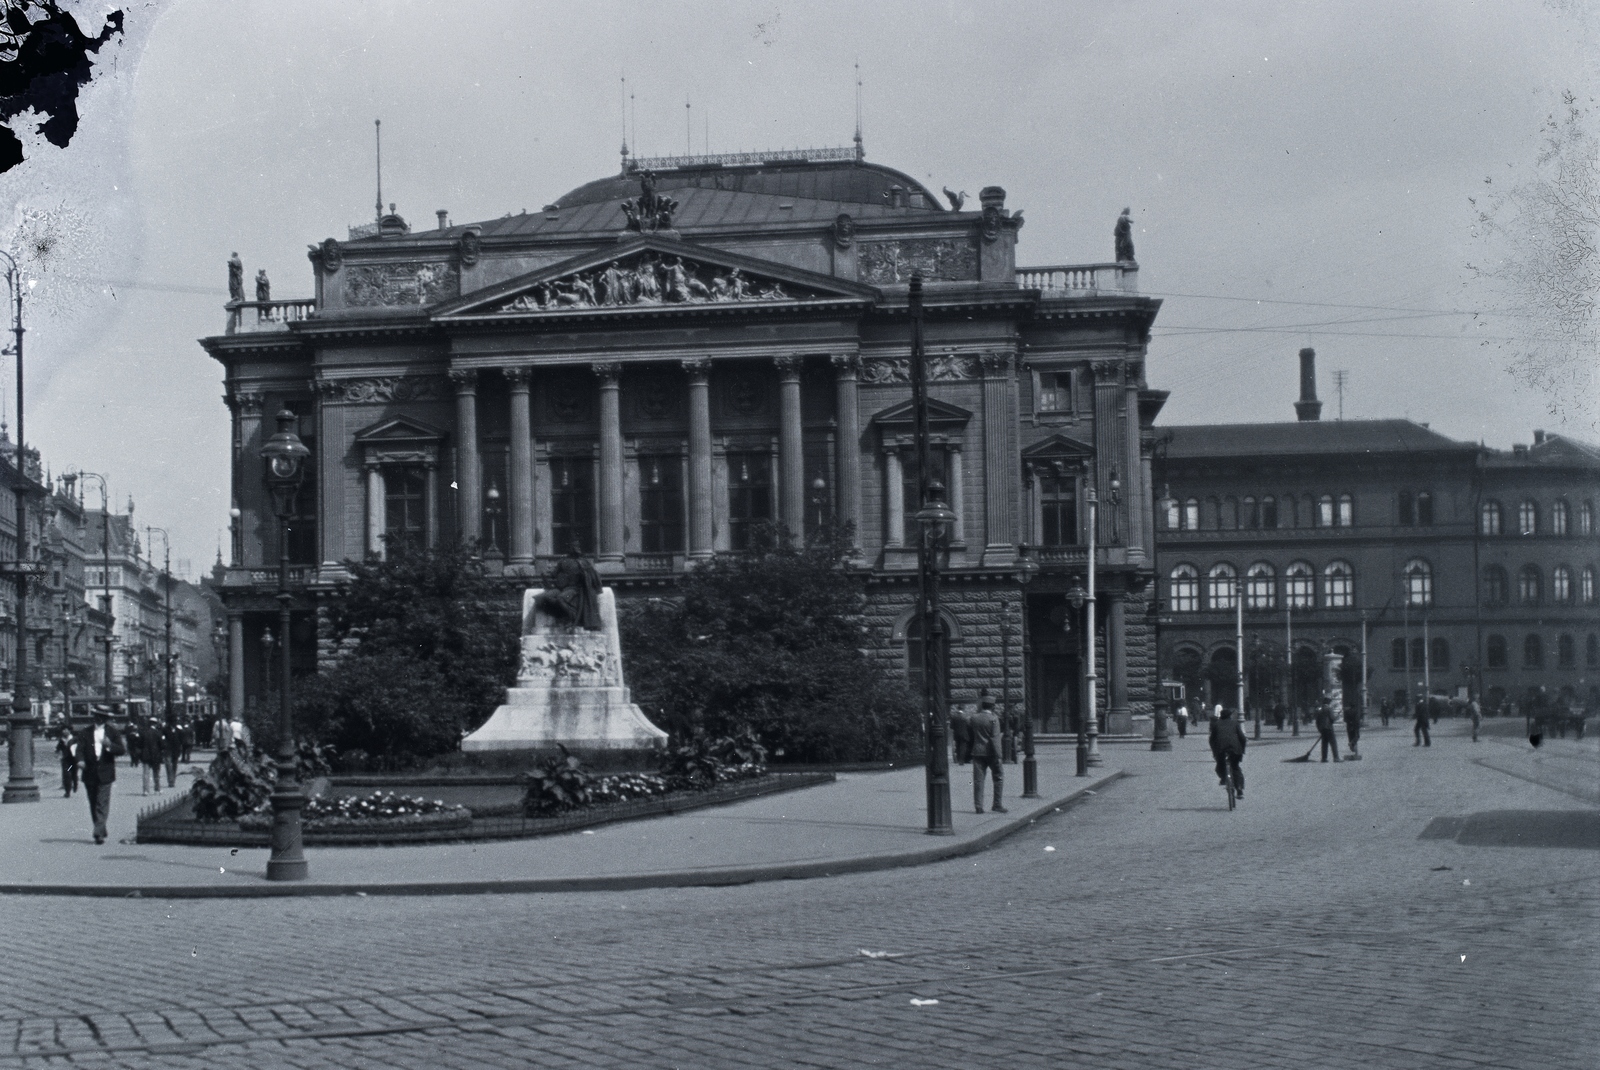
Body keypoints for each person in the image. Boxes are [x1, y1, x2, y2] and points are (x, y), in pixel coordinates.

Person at [75, 705, 125, 845]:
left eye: (102, 717)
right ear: (94, 716)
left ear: (106, 718)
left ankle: (98, 833)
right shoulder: (85, 732)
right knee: (92, 802)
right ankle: (100, 828)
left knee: (101, 802)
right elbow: (79, 749)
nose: (99, 718)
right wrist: (80, 760)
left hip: (106, 772)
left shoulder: (113, 732)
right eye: (97, 715)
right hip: (89, 772)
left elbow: (122, 750)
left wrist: (110, 745)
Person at [969, 694, 1006, 813]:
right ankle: (997, 804)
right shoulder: (994, 719)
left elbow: (970, 733)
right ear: (993, 707)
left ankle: (978, 806)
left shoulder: (974, 718)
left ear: (982, 705)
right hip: (991, 753)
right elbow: (995, 739)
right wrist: (999, 755)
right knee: (998, 777)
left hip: (977, 752)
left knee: (978, 780)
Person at [1208, 706, 1246, 800]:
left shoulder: (1216, 724)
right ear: (1230, 716)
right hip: (1235, 750)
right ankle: (1239, 789)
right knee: (1235, 767)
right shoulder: (1235, 723)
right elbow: (1243, 738)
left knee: (1220, 766)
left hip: (1221, 750)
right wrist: (1242, 750)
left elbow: (1211, 740)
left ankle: (1224, 779)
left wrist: (1214, 752)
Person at [55, 723, 77, 798]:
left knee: (73, 773)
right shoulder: (62, 740)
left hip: (73, 761)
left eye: (65, 730)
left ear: (69, 730)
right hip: (66, 761)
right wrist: (57, 753)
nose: (64, 731)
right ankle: (67, 791)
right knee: (67, 774)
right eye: (63, 730)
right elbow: (58, 748)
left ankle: (75, 783)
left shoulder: (74, 739)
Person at [1314, 698, 1341, 762]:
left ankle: (1324, 758)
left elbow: (1317, 722)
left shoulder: (1320, 710)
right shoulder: (1329, 709)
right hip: (1329, 728)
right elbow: (1332, 718)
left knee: (1324, 744)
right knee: (1333, 743)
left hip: (1322, 729)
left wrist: (1320, 730)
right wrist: (1338, 716)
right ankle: (1336, 757)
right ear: (1328, 703)